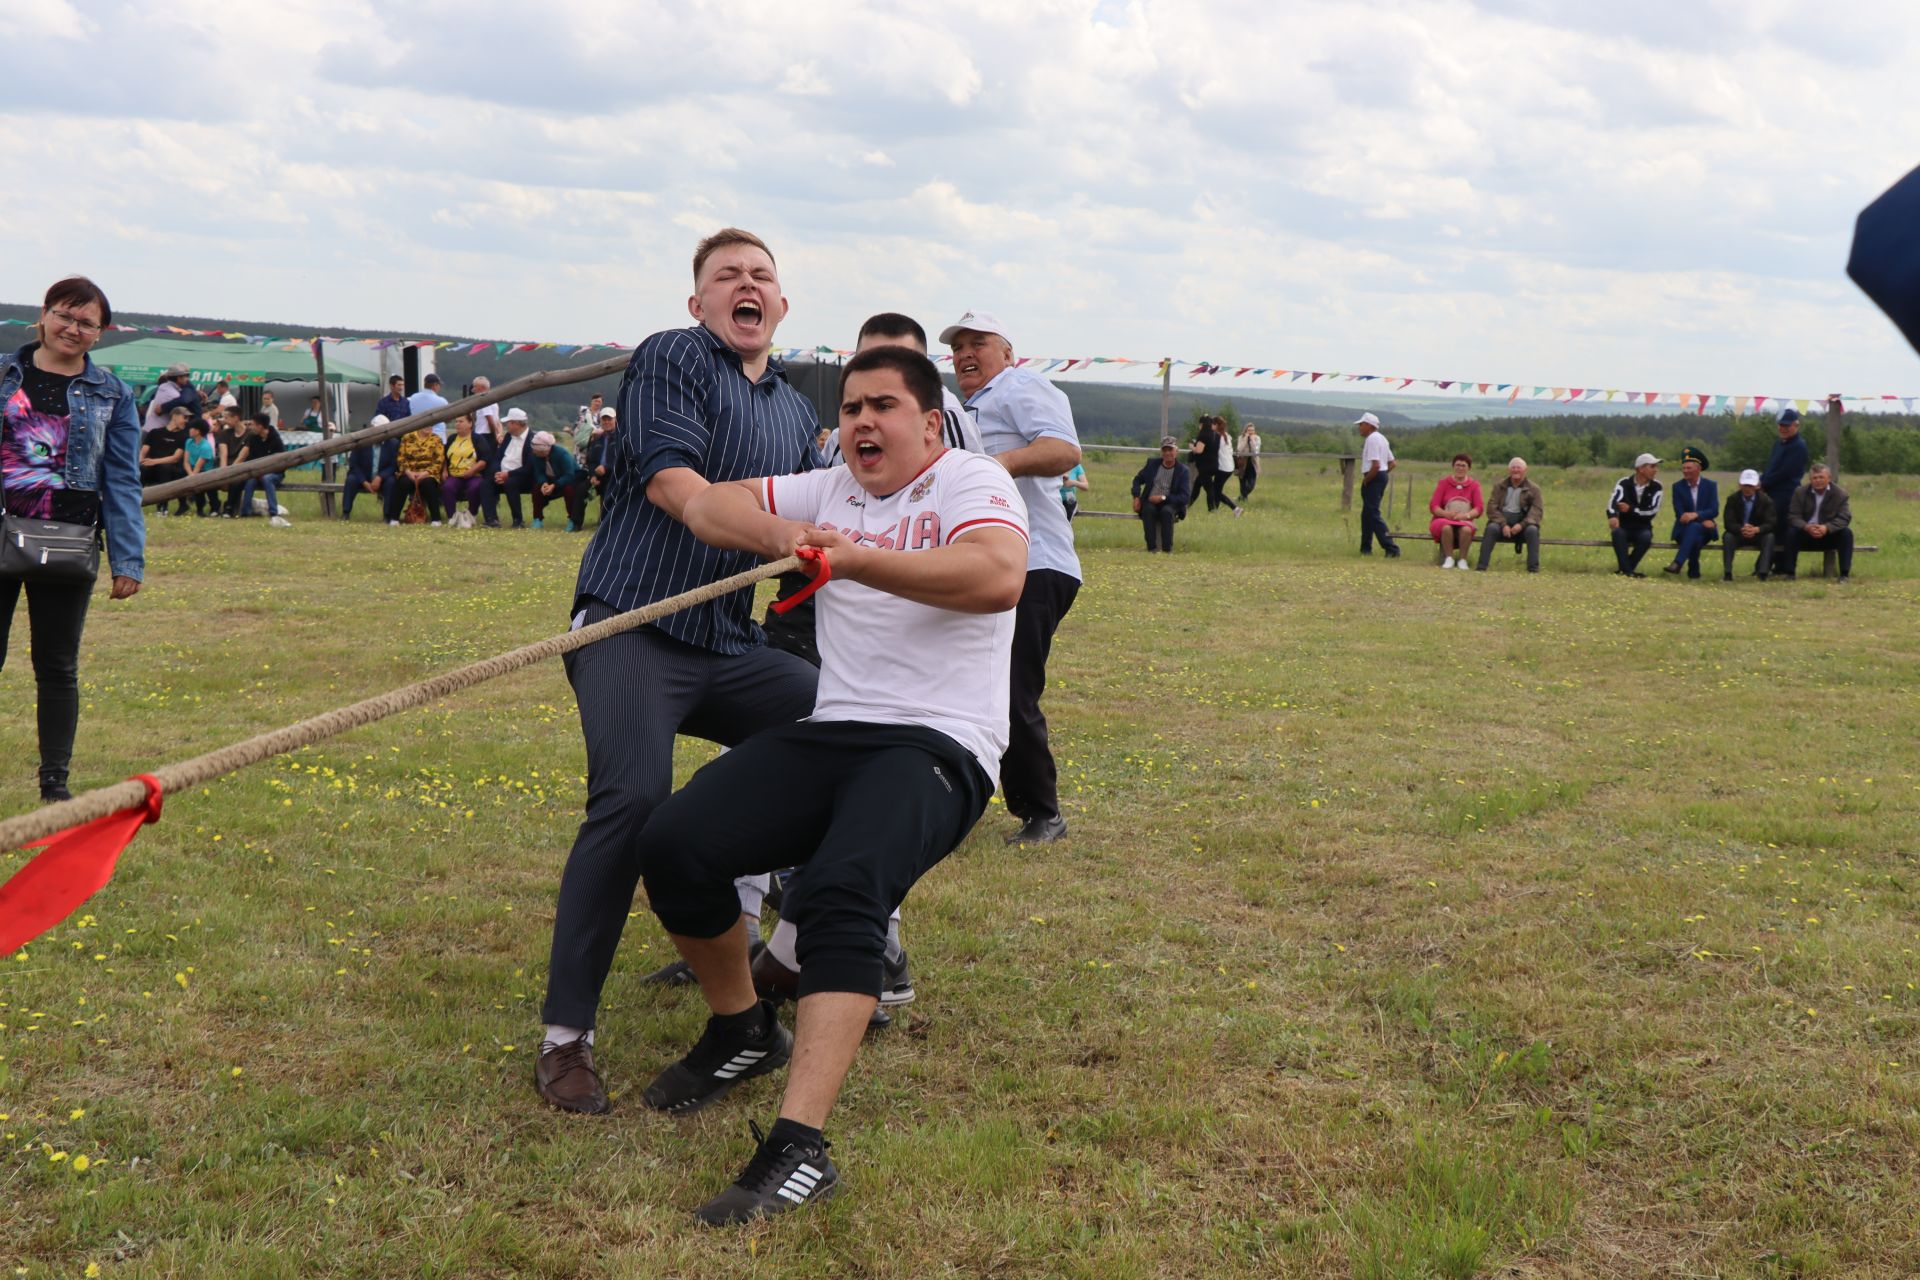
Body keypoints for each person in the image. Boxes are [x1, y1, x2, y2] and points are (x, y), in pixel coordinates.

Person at [637, 343, 1028, 1224]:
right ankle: (743, 1030)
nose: (860, 422)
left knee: (844, 890)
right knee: (674, 845)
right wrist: (779, 534)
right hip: (834, 730)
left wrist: (854, 561)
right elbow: (708, 504)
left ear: (929, 423)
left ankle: (799, 1149)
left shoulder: (971, 483)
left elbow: (998, 577)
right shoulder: (830, 488)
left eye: (882, 406)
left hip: (941, 743)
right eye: (850, 407)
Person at [534, 228, 823, 1117]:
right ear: (697, 303)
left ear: (782, 307)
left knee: (851, 732)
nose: (746, 285)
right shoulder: (672, 359)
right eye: (725, 276)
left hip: (727, 645)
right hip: (631, 625)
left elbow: (839, 502)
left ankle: (792, 947)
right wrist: (782, 538)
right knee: (630, 801)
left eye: (761, 277)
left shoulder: (792, 409)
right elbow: (680, 491)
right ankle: (565, 1039)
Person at [0, 276, 145, 802]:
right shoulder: (2, 374)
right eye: (66, 314)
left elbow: (124, 479)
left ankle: (54, 782)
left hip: (69, 540)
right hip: (0, 531)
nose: (73, 328)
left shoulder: (113, 393)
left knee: (58, 666)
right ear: (43, 315)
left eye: (87, 322)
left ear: (101, 333)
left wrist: (127, 559)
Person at [943, 308, 1082, 844]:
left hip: (1035, 563)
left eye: (978, 342)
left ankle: (1043, 813)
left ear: (1008, 352)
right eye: (957, 348)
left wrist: (993, 467)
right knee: (969, 684)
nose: (965, 354)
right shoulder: (966, 407)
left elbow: (1064, 449)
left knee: (1009, 688)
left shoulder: (1020, 385)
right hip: (988, 564)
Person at [1782, 463, 1853, 580]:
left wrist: (1827, 527)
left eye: (1821, 477)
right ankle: (1790, 573)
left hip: (1828, 534)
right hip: (1806, 533)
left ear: (1829, 478)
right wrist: (1806, 527)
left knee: (1846, 533)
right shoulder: (1800, 492)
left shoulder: (1840, 494)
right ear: (1810, 480)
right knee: (1791, 533)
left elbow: (1845, 517)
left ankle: (1844, 574)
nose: (1818, 480)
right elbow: (1793, 516)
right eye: (1815, 478)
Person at [1759, 408, 1808, 573]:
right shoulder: (1778, 444)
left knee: (1780, 527)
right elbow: (1771, 466)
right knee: (1771, 526)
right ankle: (1767, 564)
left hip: (1786, 493)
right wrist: (1761, 481)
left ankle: (1778, 565)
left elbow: (1786, 472)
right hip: (1771, 491)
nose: (1783, 429)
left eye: (1787, 426)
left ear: (1796, 426)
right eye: (1781, 425)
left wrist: (1765, 483)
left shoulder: (1799, 446)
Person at [1474, 457, 1543, 572]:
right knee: (1491, 528)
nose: (1516, 470)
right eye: (1513, 467)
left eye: (1519, 468)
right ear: (1509, 470)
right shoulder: (1499, 486)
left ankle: (1533, 568)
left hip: (1523, 524)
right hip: (1501, 523)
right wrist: (1503, 524)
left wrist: (1522, 525)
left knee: (1532, 531)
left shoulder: (1534, 489)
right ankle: (1481, 566)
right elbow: (1492, 508)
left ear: (1525, 470)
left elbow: (1537, 511)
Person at [1662, 446, 1718, 578]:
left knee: (1695, 529)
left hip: (1706, 530)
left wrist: (1695, 515)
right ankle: (1693, 571)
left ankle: (1678, 563)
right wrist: (1702, 519)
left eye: (1689, 468)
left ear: (1698, 469)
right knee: (1695, 534)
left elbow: (1714, 510)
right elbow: (1680, 514)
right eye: (1683, 468)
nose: (1685, 471)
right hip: (1684, 529)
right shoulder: (1677, 487)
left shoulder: (1710, 486)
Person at [1131, 436, 1192, 552]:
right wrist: (1136, 497)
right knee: (1148, 510)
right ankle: (1151, 548)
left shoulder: (1183, 471)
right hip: (1150, 500)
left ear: (1176, 451)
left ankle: (1167, 549)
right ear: (1161, 452)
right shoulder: (1152, 465)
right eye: (1165, 450)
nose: (1167, 453)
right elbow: (1137, 479)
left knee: (1167, 512)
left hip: (1171, 502)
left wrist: (1163, 498)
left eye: (1170, 449)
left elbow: (1184, 497)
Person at [1607, 453, 1662, 576]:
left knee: (1646, 538)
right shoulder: (1623, 483)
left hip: (1643, 527)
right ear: (1641, 469)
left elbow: (1652, 511)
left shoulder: (1657, 487)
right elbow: (1612, 502)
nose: (1656, 470)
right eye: (1652, 467)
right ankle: (1629, 572)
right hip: (1624, 526)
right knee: (1617, 533)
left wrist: (1630, 509)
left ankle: (1625, 571)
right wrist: (1613, 516)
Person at [384, 417, 446, 526]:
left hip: (428, 473)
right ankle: (394, 518)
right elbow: (401, 458)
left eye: (431, 425)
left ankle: (436, 519)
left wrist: (425, 473)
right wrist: (408, 472)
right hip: (409, 472)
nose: (429, 428)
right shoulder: (407, 438)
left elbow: (439, 461)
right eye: (426, 425)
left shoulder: (436, 440)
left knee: (428, 483)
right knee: (403, 482)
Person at [1427, 453, 1482, 570]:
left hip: (1465, 520)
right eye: (1457, 465)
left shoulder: (1474, 485)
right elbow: (1434, 506)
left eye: (1463, 465)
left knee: (1466, 530)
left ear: (1469, 468)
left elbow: (1479, 508)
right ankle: (1449, 558)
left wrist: (1466, 516)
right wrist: (1446, 514)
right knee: (1446, 527)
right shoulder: (1443, 483)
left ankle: (1463, 560)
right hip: (1443, 519)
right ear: (1453, 466)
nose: (1460, 468)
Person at [523, 430, 587, 531]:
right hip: (550, 481)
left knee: (569, 489)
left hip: (569, 481)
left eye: (536, 450)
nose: (533, 451)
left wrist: (554, 485)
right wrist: (543, 483)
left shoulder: (562, 454)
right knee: (536, 489)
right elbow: (539, 472)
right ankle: (537, 519)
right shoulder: (536, 456)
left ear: (544, 450)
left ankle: (572, 519)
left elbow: (569, 475)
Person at [234, 412, 290, 526]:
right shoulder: (254, 438)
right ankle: (245, 512)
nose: (250, 427)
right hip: (257, 472)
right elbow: (250, 457)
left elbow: (281, 463)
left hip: (275, 473)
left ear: (260, 426)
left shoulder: (275, 440)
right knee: (250, 481)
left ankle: (273, 513)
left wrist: (264, 472)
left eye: (252, 424)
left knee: (267, 479)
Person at [1720, 468, 1775, 582]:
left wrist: (1757, 529)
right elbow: (1728, 522)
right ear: (1740, 485)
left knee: (1769, 537)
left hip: (1757, 534)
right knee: (1727, 536)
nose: (1747, 488)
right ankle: (1727, 573)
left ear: (1757, 486)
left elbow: (1771, 522)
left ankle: (1763, 573)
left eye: (1751, 485)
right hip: (1739, 533)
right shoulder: (1732, 499)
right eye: (1745, 485)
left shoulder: (1766, 500)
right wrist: (1741, 529)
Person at [1355, 412, 1399, 556]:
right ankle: (1365, 548)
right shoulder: (1382, 439)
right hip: (1381, 476)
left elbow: (1375, 465)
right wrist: (1382, 476)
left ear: (1369, 425)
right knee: (1367, 514)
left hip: (1373, 476)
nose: (1359, 427)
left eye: (1361, 425)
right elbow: (1392, 463)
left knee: (1373, 514)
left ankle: (1391, 548)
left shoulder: (1372, 439)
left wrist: (1367, 480)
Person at [341, 415, 397, 520]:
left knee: (391, 482)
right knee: (351, 480)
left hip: (382, 478)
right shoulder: (361, 442)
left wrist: (380, 477)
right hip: (363, 476)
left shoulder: (393, 443)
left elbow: (393, 465)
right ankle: (346, 512)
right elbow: (354, 464)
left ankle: (388, 515)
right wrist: (364, 482)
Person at [139, 404, 191, 514]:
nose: (186, 421)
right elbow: (143, 451)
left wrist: (154, 461)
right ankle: (135, 502)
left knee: (164, 468)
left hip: (171, 469)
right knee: (142, 469)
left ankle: (162, 507)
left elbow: (175, 458)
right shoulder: (155, 432)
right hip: (152, 467)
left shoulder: (184, 436)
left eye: (188, 418)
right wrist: (141, 461)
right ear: (175, 416)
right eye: (184, 417)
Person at [441, 413, 492, 525]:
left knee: (475, 487)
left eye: (461, 421)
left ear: (470, 424)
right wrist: (444, 470)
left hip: (474, 475)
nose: (457, 424)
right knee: (448, 487)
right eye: (456, 421)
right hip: (455, 475)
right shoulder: (452, 438)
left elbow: (485, 459)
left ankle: (471, 514)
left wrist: (472, 471)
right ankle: (452, 517)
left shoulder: (478, 439)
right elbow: (444, 456)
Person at [1187, 415, 1241, 515]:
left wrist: (1192, 446)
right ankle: (1187, 506)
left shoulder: (1214, 436)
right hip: (1224, 466)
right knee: (1199, 485)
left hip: (1219, 467)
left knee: (1213, 490)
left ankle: (1219, 509)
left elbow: (1200, 449)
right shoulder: (1225, 436)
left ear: (1215, 425)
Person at [491, 408, 535, 529]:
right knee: (486, 482)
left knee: (510, 483)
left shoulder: (532, 439)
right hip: (503, 474)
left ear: (516, 424)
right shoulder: (508, 436)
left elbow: (529, 468)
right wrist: (497, 473)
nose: (506, 426)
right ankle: (491, 519)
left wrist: (508, 475)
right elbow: (498, 457)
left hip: (523, 477)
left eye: (508, 423)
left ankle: (518, 520)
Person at [141, 364, 199, 434]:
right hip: (157, 434)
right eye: (186, 376)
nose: (188, 380)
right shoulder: (174, 395)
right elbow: (183, 408)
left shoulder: (163, 386)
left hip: (150, 429)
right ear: (179, 378)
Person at [182, 419, 217, 516]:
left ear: (197, 431)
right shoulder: (189, 442)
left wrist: (192, 476)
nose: (189, 430)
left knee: (201, 483)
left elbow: (199, 466)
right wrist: (190, 473)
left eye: (191, 428)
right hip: (191, 470)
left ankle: (212, 508)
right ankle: (185, 505)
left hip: (204, 471)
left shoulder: (205, 446)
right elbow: (186, 462)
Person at [408, 373, 450, 439]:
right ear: (435, 385)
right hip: (437, 437)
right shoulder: (442, 401)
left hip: (417, 438)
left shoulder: (412, 398)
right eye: (439, 385)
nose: (439, 388)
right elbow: (448, 419)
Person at [1236, 421, 1261, 500]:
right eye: (1249, 430)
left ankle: (1242, 496)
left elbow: (1256, 451)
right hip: (1242, 463)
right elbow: (1239, 449)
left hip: (1253, 463)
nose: (1250, 432)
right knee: (1242, 482)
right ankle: (1243, 499)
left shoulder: (1257, 438)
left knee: (1251, 484)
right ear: (1245, 431)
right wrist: (1245, 439)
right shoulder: (1241, 437)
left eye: (1252, 430)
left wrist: (1252, 441)